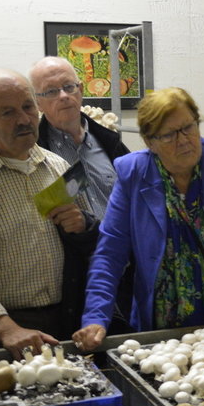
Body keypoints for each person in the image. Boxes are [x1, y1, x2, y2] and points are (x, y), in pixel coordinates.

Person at [73, 87, 204, 351]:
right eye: (169, 135)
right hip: (159, 322)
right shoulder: (132, 172)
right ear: (149, 142)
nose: (184, 140)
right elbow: (110, 253)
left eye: (188, 127)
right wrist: (96, 317)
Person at [0, 69, 96, 355]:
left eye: (27, 107)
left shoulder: (57, 167)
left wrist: (84, 225)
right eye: (8, 113)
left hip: (66, 321)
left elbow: (87, 244)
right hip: (2, 334)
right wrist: (6, 328)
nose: (24, 120)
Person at [29, 56, 134, 334]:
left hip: (128, 275)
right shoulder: (33, 153)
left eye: (69, 87)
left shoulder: (110, 143)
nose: (63, 96)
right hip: (75, 285)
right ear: (38, 102)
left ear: (81, 91)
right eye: (51, 91)